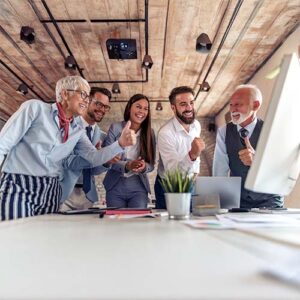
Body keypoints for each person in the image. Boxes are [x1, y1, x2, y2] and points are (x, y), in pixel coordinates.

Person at [0, 76, 136, 221]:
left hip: (50, 190)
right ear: (65, 94)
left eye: (88, 97)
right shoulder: (35, 108)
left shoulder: (77, 131)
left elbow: (92, 157)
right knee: (14, 236)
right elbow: (3, 144)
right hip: (18, 184)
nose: (86, 101)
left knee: (43, 239)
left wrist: (120, 144)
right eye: (83, 94)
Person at [213, 84, 283, 208]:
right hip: (238, 201)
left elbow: (281, 170)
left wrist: (257, 161)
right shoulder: (224, 132)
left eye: (238, 104)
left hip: (270, 201)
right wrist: (219, 203)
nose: (233, 110)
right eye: (231, 105)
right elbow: (220, 170)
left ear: (255, 105)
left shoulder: (272, 130)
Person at [60, 87, 116, 211]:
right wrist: (93, 157)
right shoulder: (69, 126)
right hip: (64, 194)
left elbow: (94, 170)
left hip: (88, 196)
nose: (102, 110)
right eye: (98, 104)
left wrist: (105, 162)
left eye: (105, 107)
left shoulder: (102, 136)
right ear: (87, 101)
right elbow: (64, 161)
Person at [155, 86, 206, 209]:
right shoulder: (165, 133)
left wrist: (196, 171)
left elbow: (197, 155)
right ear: (173, 108)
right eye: (183, 104)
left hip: (190, 183)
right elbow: (173, 172)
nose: (189, 108)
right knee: (168, 225)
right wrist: (192, 155)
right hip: (168, 186)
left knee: (190, 222)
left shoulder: (196, 125)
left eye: (191, 103)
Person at [102, 94, 155, 208]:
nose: (142, 111)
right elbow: (106, 158)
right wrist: (127, 165)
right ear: (130, 107)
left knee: (136, 223)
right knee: (116, 223)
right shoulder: (115, 128)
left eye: (146, 109)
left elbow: (151, 165)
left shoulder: (150, 133)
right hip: (115, 186)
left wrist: (143, 166)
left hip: (139, 188)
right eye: (138, 106)